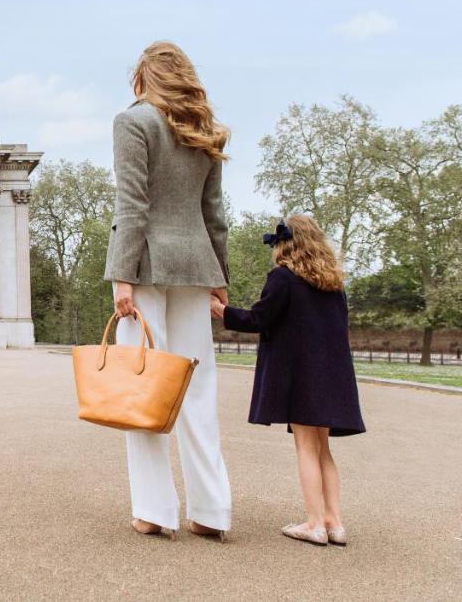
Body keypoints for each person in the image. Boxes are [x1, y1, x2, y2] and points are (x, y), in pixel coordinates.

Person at [104, 40, 232, 541]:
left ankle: (154, 510)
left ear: (142, 79)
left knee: (144, 387)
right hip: (196, 267)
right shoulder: (205, 131)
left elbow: (131, 206)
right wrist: (218, 282)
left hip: (148, 265)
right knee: (198, 390)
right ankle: (211, 511)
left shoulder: (133, 122)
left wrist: (122, 276)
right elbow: (214, 216)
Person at [211, 215, 365, 547]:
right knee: (324, 449)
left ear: (285, 244)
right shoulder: (333, 284)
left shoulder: (283, 278)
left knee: (306, 448)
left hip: (301, 375)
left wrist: (223, 311)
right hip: (332, 374)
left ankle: (314, 523)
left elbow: (260, 318)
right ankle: (334, 522)